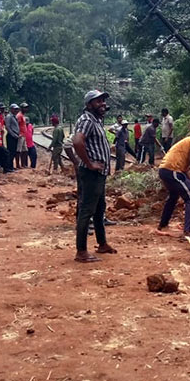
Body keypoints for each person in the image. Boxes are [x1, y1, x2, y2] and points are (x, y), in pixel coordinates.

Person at [72, 90, 117, 263]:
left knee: (99, 209)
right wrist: (90, 164)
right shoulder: (87, 120)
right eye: (98, 101)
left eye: (103, 101)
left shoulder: (95, 120)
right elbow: (77, 142)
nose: (103, 104)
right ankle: (81, 251)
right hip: (92, 173)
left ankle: (102, 243)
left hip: (99, 174)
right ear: (89, 104)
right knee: (87, 210)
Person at [155, 129, 190, 240]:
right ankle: (189, 231)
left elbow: (184, 173)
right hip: (173, 171)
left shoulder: (185, 142)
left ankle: (163, 224)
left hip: (165, 170)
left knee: (173, 196)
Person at [5, 103, 20, 170]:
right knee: (10, 152)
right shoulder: (9, 117)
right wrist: (14, 135)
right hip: (11, 136)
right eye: (15, 109)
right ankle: (8, 167)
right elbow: (7, 127)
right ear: (11, 109)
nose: (16, 110)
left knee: (13, 152)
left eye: (17, 109)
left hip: (15, 136)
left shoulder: (14, 117)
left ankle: (11, 166)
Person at [17, 103, 29, 168]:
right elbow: (17, 124)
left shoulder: (23, 115)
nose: (26, 109)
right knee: (19, 150)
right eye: (25, 108)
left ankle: (23, 164)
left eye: (27, 108)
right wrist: (18, 133)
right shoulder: (19, 115)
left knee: (25, 150)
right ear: (21, 108)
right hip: (20, 135)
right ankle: (18, 165)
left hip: (23, 135)